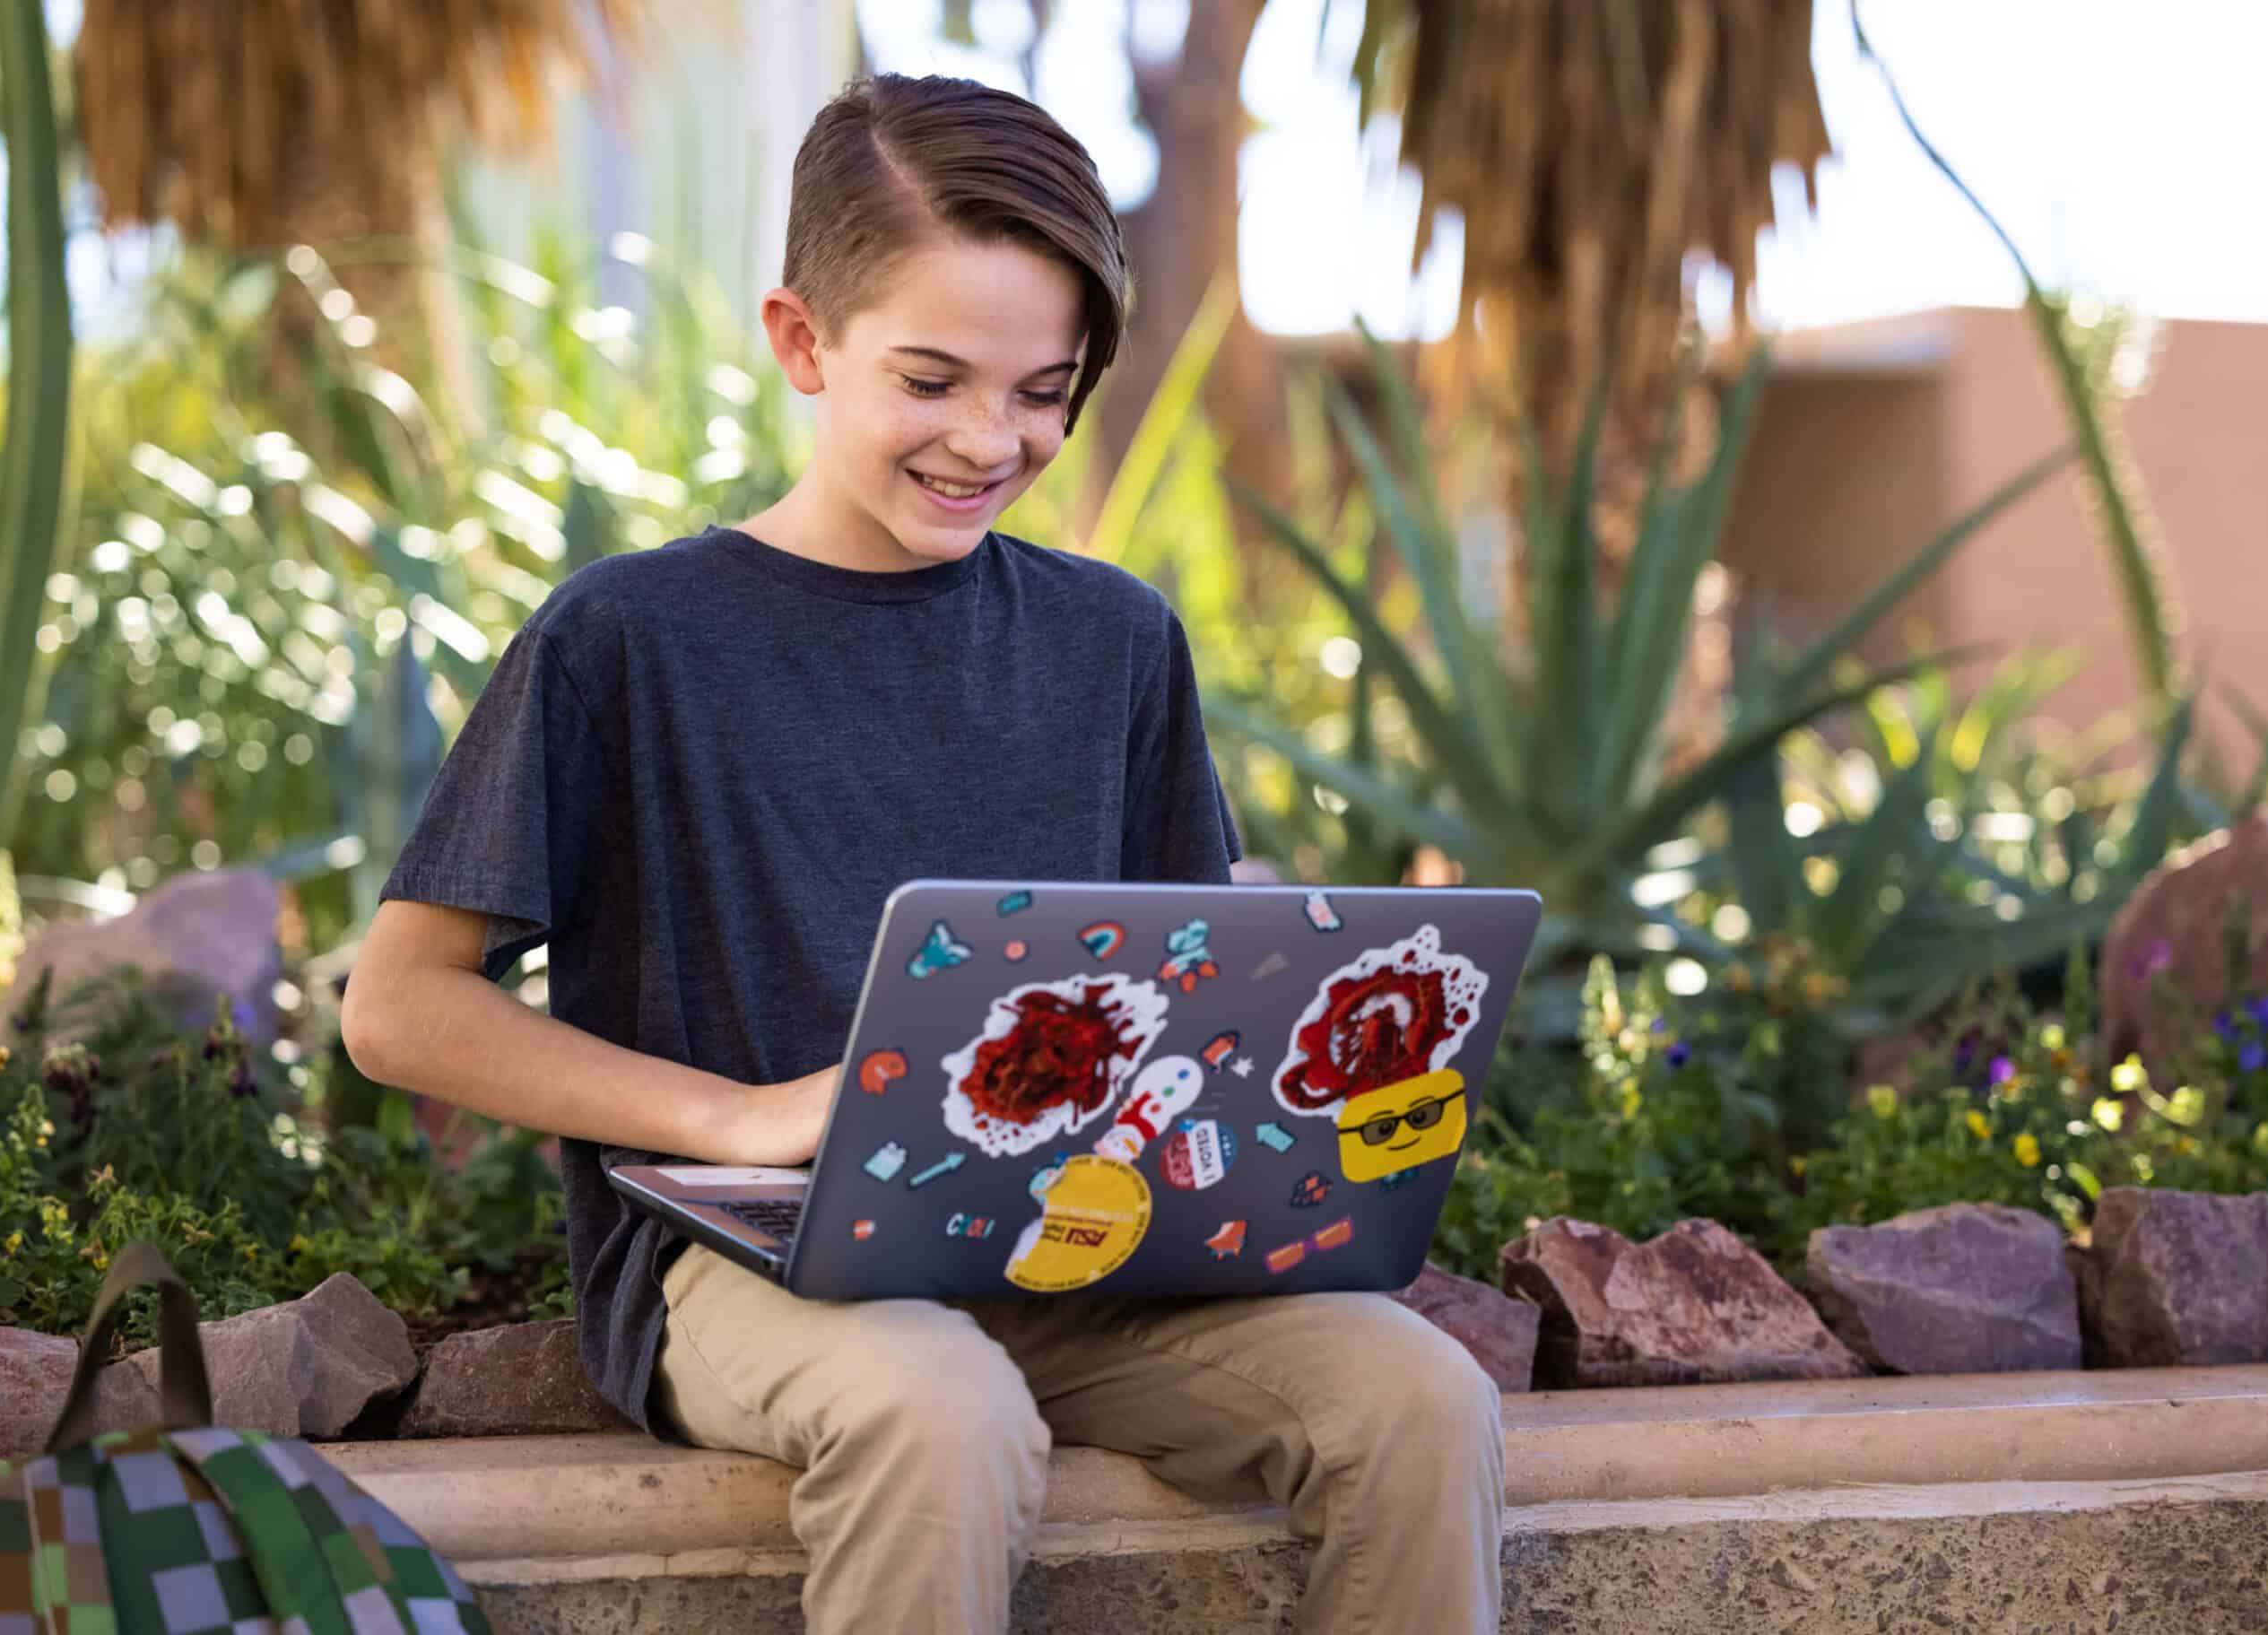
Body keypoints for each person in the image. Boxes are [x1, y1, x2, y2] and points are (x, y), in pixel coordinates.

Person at [341, 71, 1504, 1635]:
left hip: (1076, 1254)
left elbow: (1189, 965)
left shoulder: (1116, 643)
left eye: (1044, 390)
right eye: (934, 378)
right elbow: (400, 1008)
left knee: (1418, 1398)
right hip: (755, 1274)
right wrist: (740, 1118)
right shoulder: (629, 639)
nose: (989, 438)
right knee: (935, 1405)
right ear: (803, 342)